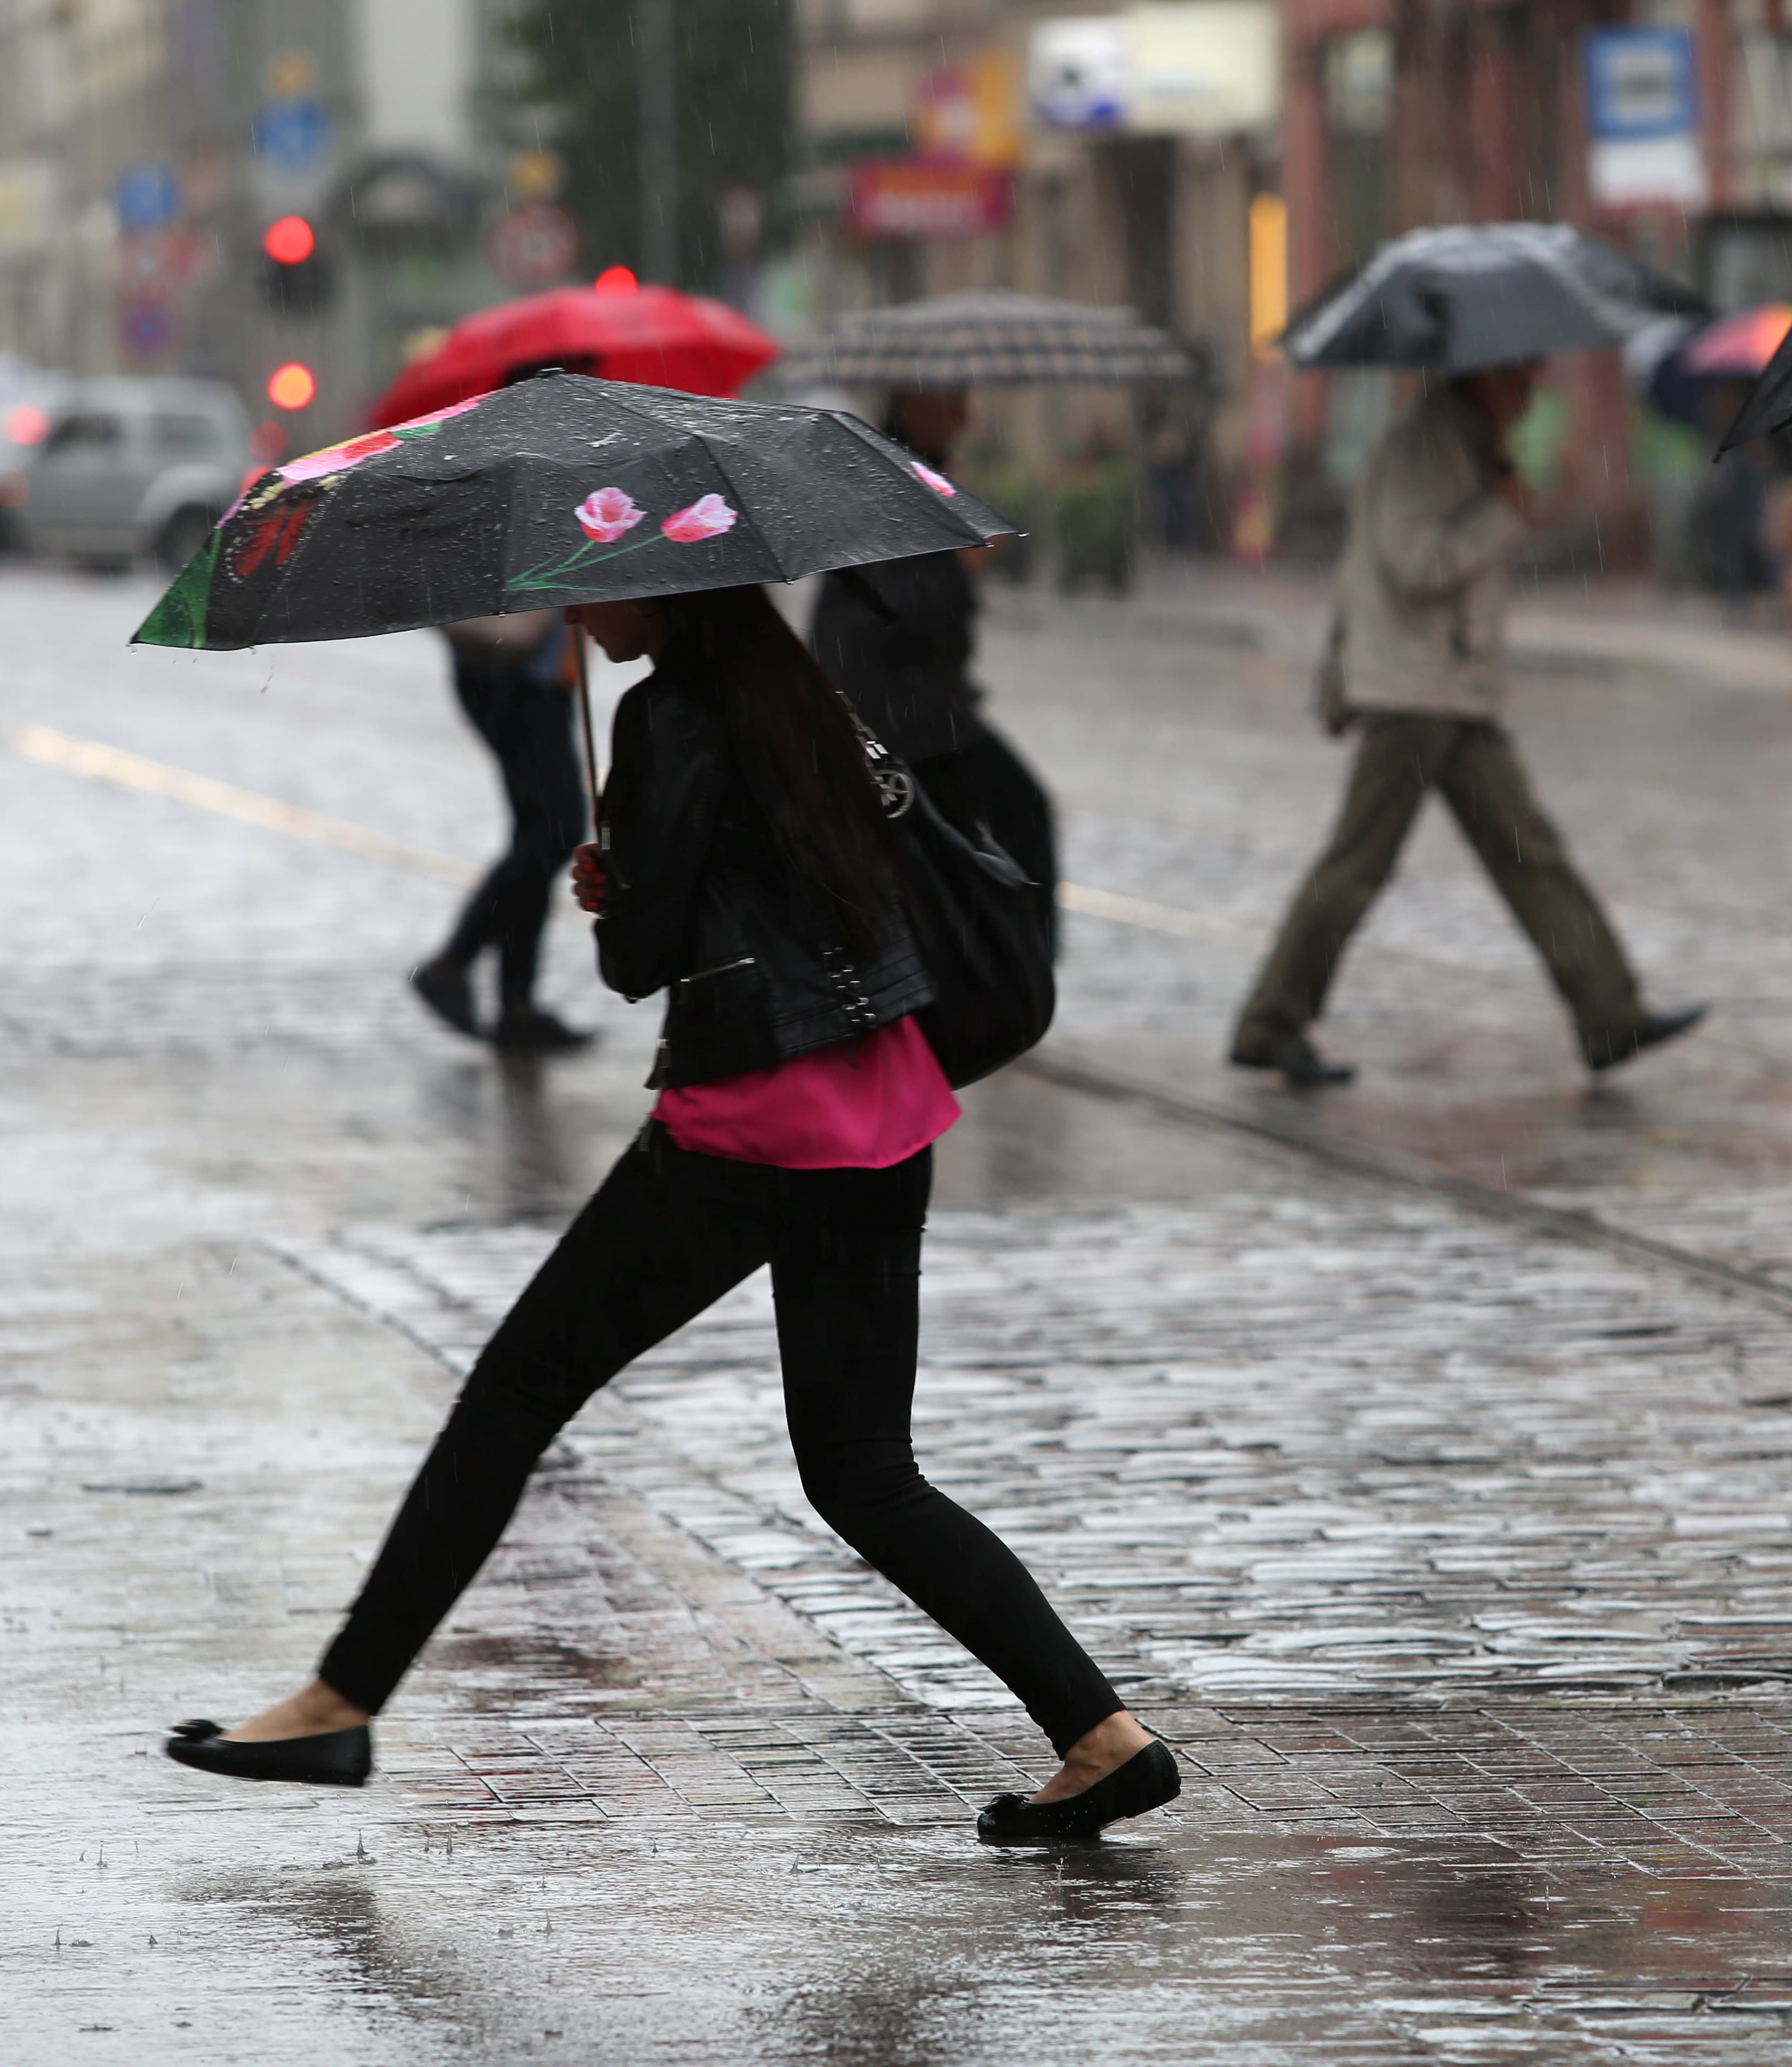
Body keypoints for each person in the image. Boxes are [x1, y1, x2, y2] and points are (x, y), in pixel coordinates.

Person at [166, 581, 1178, 1843]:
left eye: (595, 587)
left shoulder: (667, 719)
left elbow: (639, 960)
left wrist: (611, 879)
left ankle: (339, 1697)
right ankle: (1099, 1735)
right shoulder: (807, 698)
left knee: (516, 1389)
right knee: (864, 1469)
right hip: (881, 1104)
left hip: (750, 1116)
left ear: (666, 585)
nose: (576, 614)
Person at [1228, 359, 1705, 1087]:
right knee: (1359, 865)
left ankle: (1610, 1012)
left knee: (1528, 851)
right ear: (1481, 380)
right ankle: (1271, 1022)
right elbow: (1413, 565)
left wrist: (1505, 496)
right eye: (1520, 383)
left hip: (1450, 689)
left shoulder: (1465, 442)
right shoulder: (1426, 447)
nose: (1532, 395)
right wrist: (1503, 509)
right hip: (1415, 692)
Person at [810, 389, 1059, 939]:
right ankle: (1010, 964)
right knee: (999, 822)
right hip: (901, 716)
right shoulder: (885, 482)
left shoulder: (920, 478)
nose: (967, 418)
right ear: (915, 405)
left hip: (926, 708)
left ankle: (1002, 958)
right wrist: (958, 563)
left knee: (963, 841)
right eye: (955, 403)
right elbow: (894, 605)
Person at [407, 610, 594, 1051]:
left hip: (538, 677)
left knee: (538, 833)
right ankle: (452, 964)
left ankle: (517, 1007)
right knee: (555, 830)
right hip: (513, 677)